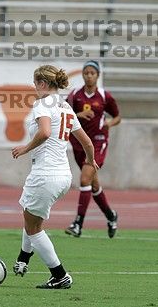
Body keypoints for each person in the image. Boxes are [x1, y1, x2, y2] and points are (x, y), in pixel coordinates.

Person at [11, 65, 98, 289]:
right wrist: (90, 161)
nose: (34, 87)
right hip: (63, 175)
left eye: (35, 83)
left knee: (33, 226)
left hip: (45, 173)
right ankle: (23, 258)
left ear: (42, 84)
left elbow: (45, 132)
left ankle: (60, 275)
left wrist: (25, 148)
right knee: (31, 219)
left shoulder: (42, 104)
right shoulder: (66, 106)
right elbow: (86, 141)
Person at [64, 60, 121, 239]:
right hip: (79, 144)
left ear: (97, 75)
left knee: (84, 178)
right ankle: (111, 217)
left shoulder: (104, 96)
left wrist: (109, 124)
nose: (89, 75)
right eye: (86, 72)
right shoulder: (75, 95)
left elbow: (117, 116)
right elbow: (63, 114)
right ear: (82, 75)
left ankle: (78, 223)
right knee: (93, 185)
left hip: (97, 143)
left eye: (92, 73)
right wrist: (78, 114)